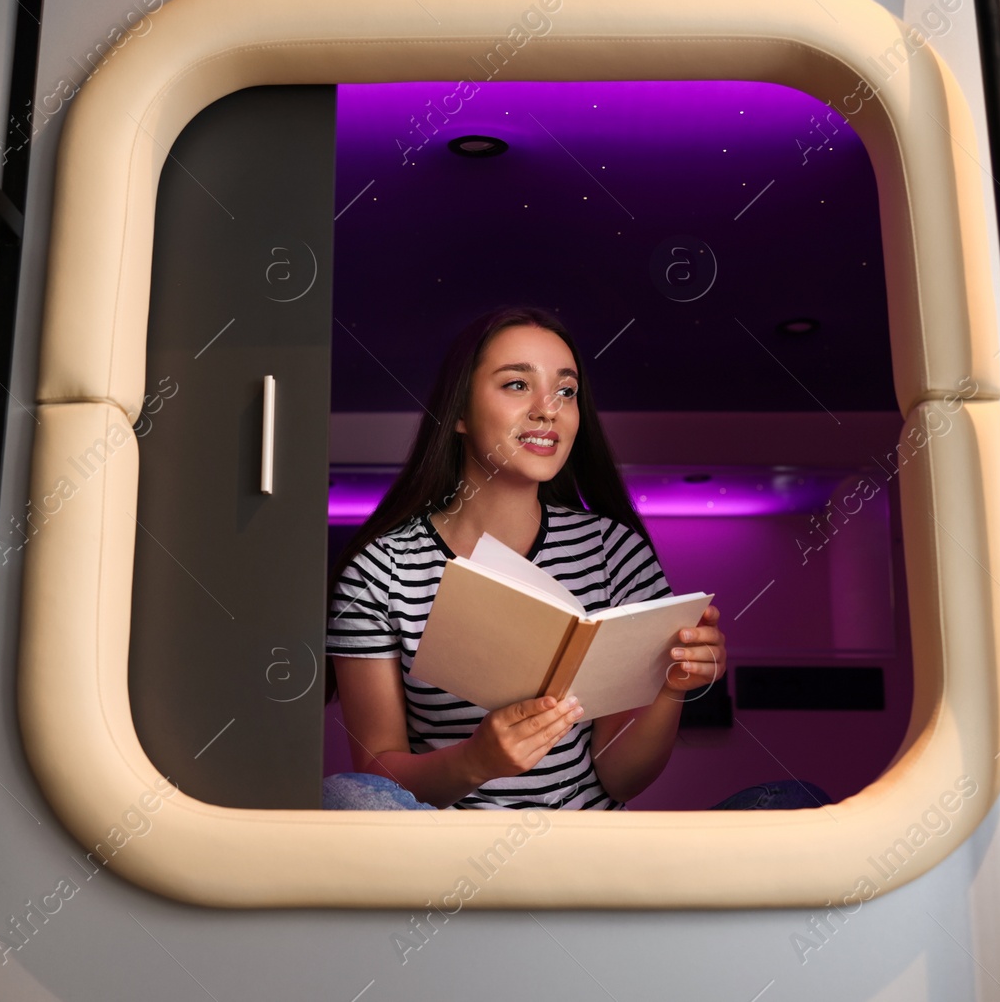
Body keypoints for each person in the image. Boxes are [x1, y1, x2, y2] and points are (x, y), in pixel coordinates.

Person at [321, 305, 831, 813]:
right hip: (448, 868)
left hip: (589, 858)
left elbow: (620, 777)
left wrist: (670, 689)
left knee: (796, 801)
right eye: (518, 385)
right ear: (457, 413)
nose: (549, 409)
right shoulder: (379, 569)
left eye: (566, 391)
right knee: (341, 795)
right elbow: (375, 782)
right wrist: (475, 761)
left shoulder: (614, 552)